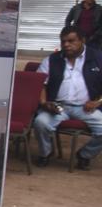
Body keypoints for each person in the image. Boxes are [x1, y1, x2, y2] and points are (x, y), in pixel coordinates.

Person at [33, 26, 102, 170]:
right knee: (40, 122)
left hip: (86, 108)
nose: (66, 45)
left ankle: (84, 155)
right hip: (58, 107)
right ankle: (46, 153)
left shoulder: (98, 58)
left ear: (83, 40)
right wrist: (45, 103)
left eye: (71, 41)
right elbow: (40, 85)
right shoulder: (51, 60)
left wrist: (97, 102)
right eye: (63, 41)